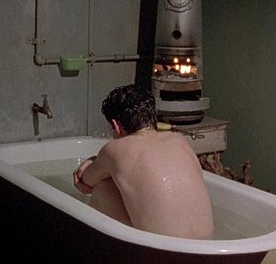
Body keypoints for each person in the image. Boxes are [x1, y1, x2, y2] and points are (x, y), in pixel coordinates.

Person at [73, 85, 213, 239]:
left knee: (104, 185)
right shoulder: (179, 140)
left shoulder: (116, 149)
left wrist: (93, 161)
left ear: (116, 125)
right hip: (207, 244)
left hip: (161, 249)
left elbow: (85, 182)